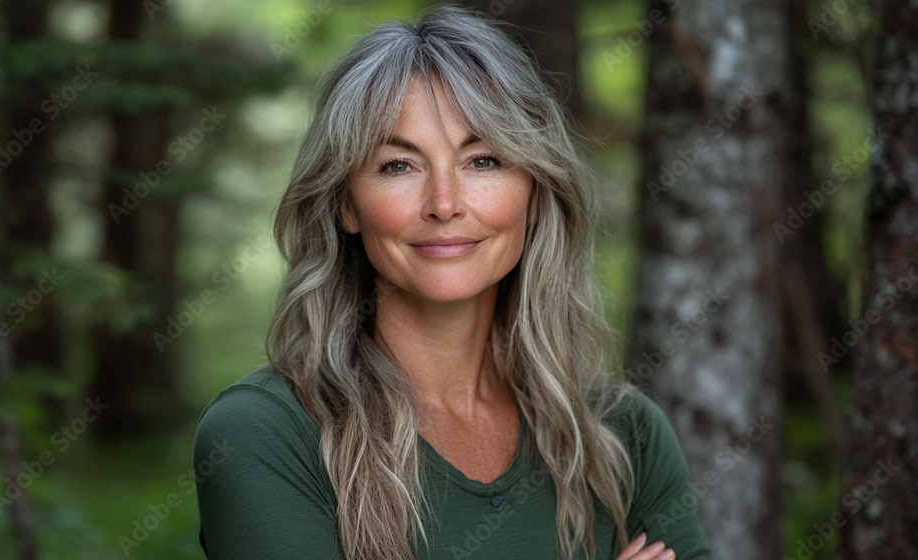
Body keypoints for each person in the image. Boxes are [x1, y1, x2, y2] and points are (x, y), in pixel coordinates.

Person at [193, 6, 712, 560]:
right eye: (398, 165)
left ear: (534, 191)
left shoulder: (624, 435)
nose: (444, 204)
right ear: (346, 203)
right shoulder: (265, 433)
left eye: (482, 160)